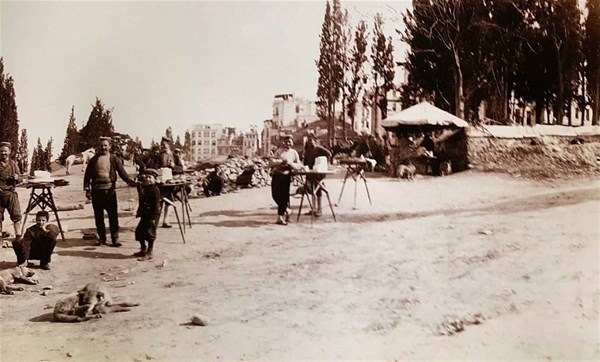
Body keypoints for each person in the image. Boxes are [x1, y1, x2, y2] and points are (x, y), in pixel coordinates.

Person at [84, 137, 137, 247]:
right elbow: (87, 176)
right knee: (98, 217)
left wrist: (130, 181)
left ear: (109, 146)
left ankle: (114, 238)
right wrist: (87, 190)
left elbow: (122, 173)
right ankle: (102, 239)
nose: (103, 147)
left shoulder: (114, 159)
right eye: (101, 145)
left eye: (105, 145)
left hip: (110, 192)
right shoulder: (93, 160)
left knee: (113, 217)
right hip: (96, 192)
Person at [270, 135, 302, 225]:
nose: (287, 143)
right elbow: (272, 161)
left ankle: (280, 217)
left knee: (284, 197)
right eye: (286, 141)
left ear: (292, 143)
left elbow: (299, 165)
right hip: (276, 175)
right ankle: (287, 210)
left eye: (289, 141)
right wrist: (279, 162)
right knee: (275, 195)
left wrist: (290, 163)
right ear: (283, 142)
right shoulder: (279, 151)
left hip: (286, 176)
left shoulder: (294, 153)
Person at [133, 168, 161, 261]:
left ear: (155, 179)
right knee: (139, 232)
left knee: (150, 234)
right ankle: (143, 249)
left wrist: (153, 217)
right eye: (147, 177)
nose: (148, 179)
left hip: (151, 215)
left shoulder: (155, 190)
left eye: (150, 177)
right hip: (145, 214)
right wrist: (139, 212)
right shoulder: (145, 188)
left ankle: (150, 252)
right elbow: (142, 202)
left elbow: (156, 205)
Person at [302, 134, 331, 217]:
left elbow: (329, 154)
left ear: (315, 140)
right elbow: (305, 162)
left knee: (318, 190)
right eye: (309, 140)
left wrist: (325, 164)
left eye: (311, 140)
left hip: (318, 173)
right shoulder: (307, 150)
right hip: (310, 172)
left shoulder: (319, 148)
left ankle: (319, 209)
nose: (310, 142)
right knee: (311, 190)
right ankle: (313, 208)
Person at [0, 141, 23, 246]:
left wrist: (17, 178)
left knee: (16, 215)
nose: (3, 153)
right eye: (1, 151)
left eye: (5, 151)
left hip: (11, 194)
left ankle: (18, 237)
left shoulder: (13, 164)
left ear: (9, 152)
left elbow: (21, 178)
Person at [156, 136, 175, 228]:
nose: (163, 147)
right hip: (159, 182)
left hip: (170, 182)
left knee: (169, 201)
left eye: (165, 145)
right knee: (158, 201)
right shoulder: (158, 155)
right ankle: (155, 222)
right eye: (162, 145)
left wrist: (173, 166)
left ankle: (166, 221)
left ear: (169, 145)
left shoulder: (174, 155)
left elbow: (181, 168)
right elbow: (153, 166)